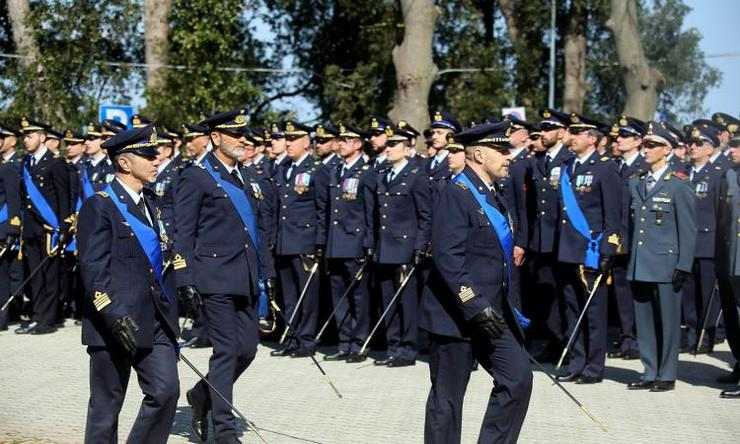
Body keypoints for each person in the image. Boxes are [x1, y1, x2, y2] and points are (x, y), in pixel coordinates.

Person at [423, 120, 532, 444]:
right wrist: (474, 303)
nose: (508, 156)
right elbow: (448, 259)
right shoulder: (455, 194)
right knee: (448, 400)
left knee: (518, 379)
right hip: (455, 316)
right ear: (480, 154)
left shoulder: (493, 194)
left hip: (492, 314)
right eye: (501, 150)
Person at [175, 108, 274, 443]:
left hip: (245, 277)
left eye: (244, 134)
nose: (242, 140)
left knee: (247, 350)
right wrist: (184, 278)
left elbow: (258, 232)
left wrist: (267, 277)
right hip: (214, 276)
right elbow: (183, 232)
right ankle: (224, 429)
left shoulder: (245, 176)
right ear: (216, 138)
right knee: (226, 350)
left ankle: (201, 395)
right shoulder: (196, 176)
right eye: (235, 134)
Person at [77, 124, 180, 443]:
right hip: (114, 322)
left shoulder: (153, 201)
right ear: (124, 162)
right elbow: (92, 269)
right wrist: (112, 314)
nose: (157, 159)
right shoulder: (101, 205)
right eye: (148, 154)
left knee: (165, 392)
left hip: (156, 319)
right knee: (106, 407)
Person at [626, 122, 696, 392]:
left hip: (667, 265)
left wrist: (683, 264)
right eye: (645, 144)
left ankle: (666, 374)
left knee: (667, 322)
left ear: (667, 150)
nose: (646, 149)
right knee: (644, 322)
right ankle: (649, 371)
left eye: (653, 145)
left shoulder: (678, 185)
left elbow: (687, 230)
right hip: (641, 263)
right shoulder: (638, 182)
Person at [555, 113, 622, 384]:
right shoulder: (568, 166)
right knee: (572, 310)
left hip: (590, 252)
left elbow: (613, 216)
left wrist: (609, 250)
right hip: (567, 251)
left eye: (577, 133)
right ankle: (576, 361)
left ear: (592, 138)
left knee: (593, 313)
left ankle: (594, 367)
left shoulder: (605, 169)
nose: (571, 137)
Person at [372, 122, 431, 367]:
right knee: (388, 300)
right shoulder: (384, 175)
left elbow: (425, 216)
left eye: (394, 144)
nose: (388, 148)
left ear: (407, 149)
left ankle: (408, 348)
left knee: (407, 302)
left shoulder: (416, 176)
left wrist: (419, 247)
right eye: (388, 144)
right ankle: (393, 345)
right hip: (385, 248)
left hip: (406, 249)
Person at [318, 122, 376, 362]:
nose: (339, 144)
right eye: (339, 140)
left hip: (355, 242)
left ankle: (359, 343)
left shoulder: (367, 172)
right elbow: (327, 210)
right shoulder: (336, 170)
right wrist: (322, 242)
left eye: (345, 140)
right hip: (335, 243)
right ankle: (344, 342)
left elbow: (372, 211)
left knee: (359, 298)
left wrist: (368, 243)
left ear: (358, 144)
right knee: (338, 296)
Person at [270, 121, 323, 358]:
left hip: (305, 241)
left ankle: (306, 339)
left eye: (293, 139)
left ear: (306, 142)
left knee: (307, 295)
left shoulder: (316, 169)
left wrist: (318, 243)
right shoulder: (282, 168)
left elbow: (323, 209)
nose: (288, 143)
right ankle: (291, 337)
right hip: (284, 241)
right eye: (287, 139)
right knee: (289, 295)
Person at [15, 117, 72, 335]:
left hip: (50, 230)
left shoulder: (56, 163)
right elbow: (23, 198)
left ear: (42, 137)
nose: (25, 140)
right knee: (35, 276)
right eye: (24, 137)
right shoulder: (26, 163)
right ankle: (37, 316)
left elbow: (63, 197)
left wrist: (64, 226)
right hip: (31, 228)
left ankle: (48, 320)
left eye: (29, 136)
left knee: (49, 275)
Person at [525, 109, 573, 361]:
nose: (542, 134)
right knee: (545, 293)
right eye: (541, 129)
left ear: (562, 132)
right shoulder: (538, 160)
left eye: (547, 129)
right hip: (541, 240)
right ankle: (553, 340)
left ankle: (566, 341)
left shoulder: (569, 159)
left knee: (564, 295)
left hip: (562, 239)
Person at [608, 116, 648, 360]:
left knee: (639, 293)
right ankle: (627, 338)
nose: (619, 139)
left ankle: (640, 339)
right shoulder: (614, 166)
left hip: (639, 241)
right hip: (619, 239)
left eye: (624, 136)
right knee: (622, 292)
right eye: (618, 136)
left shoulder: (644, 167)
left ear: (638, 140)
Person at [683, 124, 724, 353]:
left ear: (710, 149)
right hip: (685, 245)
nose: (692, 147)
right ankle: (690, 334)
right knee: (688, 294)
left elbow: (721, 214)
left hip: (707, 244)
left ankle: (706, 337)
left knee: (707, 294)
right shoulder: (681, 172)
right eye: (691, 143)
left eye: (699, 144)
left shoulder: (716, 176)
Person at [715, 132, 740, 398]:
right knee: (732, 316)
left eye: (735, 146)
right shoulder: (729, 175)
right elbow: (722, 219)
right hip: (729, 257)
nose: (730, 150)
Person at [0, 125, 22, 331]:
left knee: (2, 275)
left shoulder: (7, 168)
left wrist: (12, 230)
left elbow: (14, 201)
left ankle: (2, 317)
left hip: (2, 226)